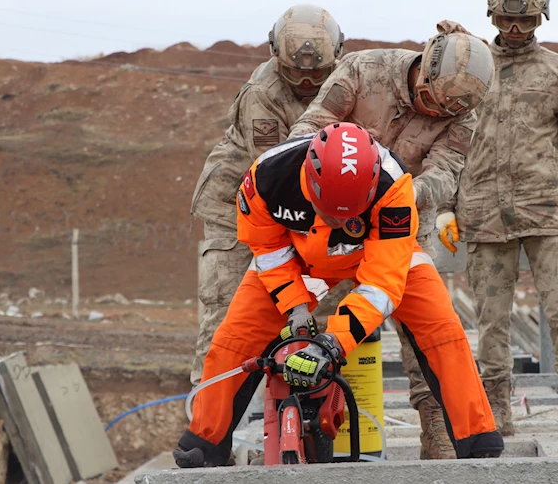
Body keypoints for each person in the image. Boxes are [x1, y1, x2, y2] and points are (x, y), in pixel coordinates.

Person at [174, 124, 504, 467]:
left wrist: (332, 344)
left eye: (346, 215)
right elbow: (268, 248)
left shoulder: (394, 188)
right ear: (310, 180)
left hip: (379, 255)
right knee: (236, 335)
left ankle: (477, 438)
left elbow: (383, 283)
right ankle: (205, 441)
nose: (337, 221)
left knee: (442, 328)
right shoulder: (267, 177)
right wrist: (295, 306)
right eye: (329, 212)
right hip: (299, 257)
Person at [288, 21, 494, 458]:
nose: (440, 112)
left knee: (427, 333)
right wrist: (341, 187)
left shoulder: (462, 115)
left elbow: (444, 175)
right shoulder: (364, 72)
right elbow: (306, 135)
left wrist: (395, 197)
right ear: (425, 68)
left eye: (451, 108)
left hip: (402, 227)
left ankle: (436, 428)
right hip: (332, 224)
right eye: (434, 100)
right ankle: (312, 426)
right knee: (319, 325)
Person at [437, 0, 558, 441]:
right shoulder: (470, 67)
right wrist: (445, 206)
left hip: (550, 212)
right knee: (491, 321)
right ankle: (497, 407)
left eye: (526, 20)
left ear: (541, 19)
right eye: (507, 19)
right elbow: (446, 142)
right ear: (491, 15)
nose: (515, 29)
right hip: (485, 215)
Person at [189, 4, 345, 386]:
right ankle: (211, 430)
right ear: (275, 54)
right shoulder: (262, 93)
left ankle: (304, 424)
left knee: (318, 314)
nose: (307, 82)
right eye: (296, 72)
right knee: (229, 319)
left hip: (307, 208)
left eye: (317, 73)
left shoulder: (346, 81)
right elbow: (274, 175)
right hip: (240, 208)